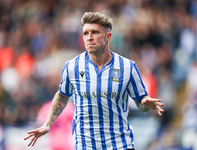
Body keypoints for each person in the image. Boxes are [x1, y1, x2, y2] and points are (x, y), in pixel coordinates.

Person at [24, 12, 164, 150]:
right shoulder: (72, 66)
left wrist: (146, 103)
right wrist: (48, 124)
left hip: (120, 144)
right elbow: (62, 95)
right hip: (86, 145)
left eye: (95, 32)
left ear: (108, 36)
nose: (89, 38)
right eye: (85, 33)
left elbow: (141, 102)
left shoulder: (127, 67)